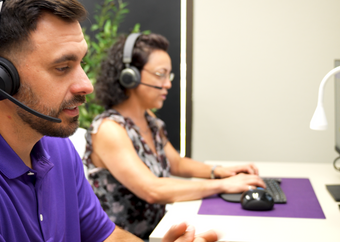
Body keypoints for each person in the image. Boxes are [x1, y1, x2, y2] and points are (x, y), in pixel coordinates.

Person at [0, 0, 218, 242]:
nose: (86, 85)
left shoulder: (57, 147)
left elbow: (106, 236)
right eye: (63, 67)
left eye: (81, 63)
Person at [83, 33, 266, 239]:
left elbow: (177, 163)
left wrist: (220, 171)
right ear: (130, 75)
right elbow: (151, 190)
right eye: (160, 74)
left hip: (158, 231)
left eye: (168, 76)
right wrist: (223, 185)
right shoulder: (109, 129)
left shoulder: (149, 120)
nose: (168, 84)